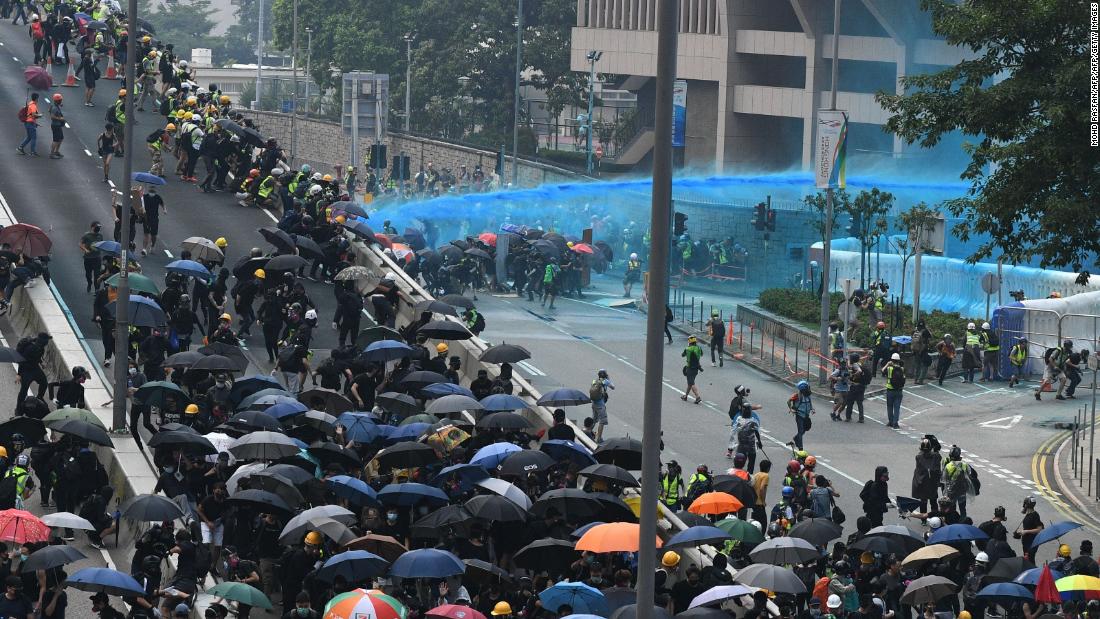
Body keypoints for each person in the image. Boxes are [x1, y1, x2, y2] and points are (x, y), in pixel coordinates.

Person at [943, 445, 978, 518]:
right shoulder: (964, 465)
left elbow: (944, 479)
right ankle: (963, 521)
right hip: (962, 490)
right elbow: (969, 474)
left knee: (952, 508)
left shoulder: (948, 466)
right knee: (962, 508)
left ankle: (953, 520)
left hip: (951, 491)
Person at [911, 437, 942, 513]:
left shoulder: (918, 457)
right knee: (933, 501)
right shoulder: (936, 456)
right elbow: (938, 456)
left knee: (923, 502)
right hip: (932, 483)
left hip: (922, 483)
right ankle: (934, 516)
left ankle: (923, 519)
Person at [786, 380, 814, 449]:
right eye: (807, 387)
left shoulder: (808, 395)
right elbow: (788, 401)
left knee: (805, 429)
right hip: (799, 416)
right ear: (804, 389)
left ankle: (796, 438)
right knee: (801, 431)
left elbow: (810, 403)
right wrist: (791, 409)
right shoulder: (796, 396)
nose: (809, 389)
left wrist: (812, 409)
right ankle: (801, 448)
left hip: (806, 416)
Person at [589, 369, 614, 442]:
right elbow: (613, 387)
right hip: (600, 405)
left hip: (594, 403)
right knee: (602, 421)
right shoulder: (605, 381)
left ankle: (588, 432)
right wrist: (608, 380)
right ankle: (598, 438)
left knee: (594, 419)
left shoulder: (594, 381)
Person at [79, 221, 104, 293]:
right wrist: (85, 250)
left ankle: (97, 288)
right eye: (97, 227)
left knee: (97, 274)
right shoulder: (87, 236)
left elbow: (101, 244)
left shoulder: (100, 236)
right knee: (88, 274)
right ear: (92, 227)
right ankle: (89, 283)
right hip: (88, 258)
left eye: (99, 227)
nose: (98, 229)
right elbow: (80, 244)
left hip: (97, 258)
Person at [140, 186, 166, 256]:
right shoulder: (144, 197)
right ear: (148, 191)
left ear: (155, 192)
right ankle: (144, 249)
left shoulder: (157, 197)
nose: (152, 193)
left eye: (153, 192)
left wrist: (164, 209)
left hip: (154, 218)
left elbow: (162, 203)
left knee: (153, 235)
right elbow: (139, 204)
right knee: (146, 233)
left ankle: (152, 246)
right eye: (151, 191)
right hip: (146, 218)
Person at [882, 353, 905, 428]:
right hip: (899, 390)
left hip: (890, 390)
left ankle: (890, 421)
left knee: (889, 406)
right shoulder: (902, 369)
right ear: (898, 360)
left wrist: (887, 364)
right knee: (897, 407)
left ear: (892, 360)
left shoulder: (889, 368)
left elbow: (882, 370)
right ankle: (895, 423)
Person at [680, 335, 703, 404]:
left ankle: (698, 397)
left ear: (689, 341)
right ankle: (685, 396)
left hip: (690, 368)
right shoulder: (698, 348)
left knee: (691, 383)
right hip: (696, 368)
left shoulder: (688, 349)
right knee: (690, 383)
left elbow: (682, 355)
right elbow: (701, 354)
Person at [17, 92, 40, 156]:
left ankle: (20, 148)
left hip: (28, 122)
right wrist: (39, 115)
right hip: (30, 123)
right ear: (36, 98)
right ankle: (32, 152)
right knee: (33, 138)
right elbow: (33, 114)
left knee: (29, 137)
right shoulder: (33, 106)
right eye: (38, 98)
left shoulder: (30, 103)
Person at [912, 319, 933, 384]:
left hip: (915, 351)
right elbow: (930, 336)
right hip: (923, 351)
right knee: (925, 365)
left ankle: (915, 380)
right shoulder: (925, 331)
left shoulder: (914, 331)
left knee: (917, 365)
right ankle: (920, 380)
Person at [47, 92, 64, 159]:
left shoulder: (54, 106)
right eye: (60, 100)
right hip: (55, 125)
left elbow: (49, 110)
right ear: (58, 101)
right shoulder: (54, 108)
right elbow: (52, 117)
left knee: (61, 138)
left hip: (58, 125)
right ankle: (52, 154)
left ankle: (56, 151)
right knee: (56, 140)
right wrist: (60, 118)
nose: (61, 101)